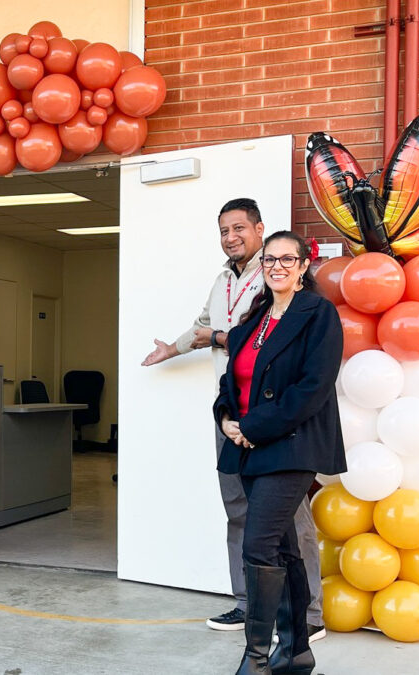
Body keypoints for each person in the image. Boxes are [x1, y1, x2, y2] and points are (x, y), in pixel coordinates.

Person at [141, 199, 325, 638]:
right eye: (224, 230)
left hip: (273, 413)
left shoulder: (278, 280)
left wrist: (220, 337)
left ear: (260, 230)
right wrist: (174, 348)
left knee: (290, 515)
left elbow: (261, 339)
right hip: (230, 411)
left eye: (239, 228)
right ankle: (247, 603)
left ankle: (307, 615)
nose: (230, 237)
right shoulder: (223, 280)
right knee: (238, 508)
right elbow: (204, 325)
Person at [214, 231, 345, 674]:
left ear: (304, 265)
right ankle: (295, 652)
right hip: (249, 449)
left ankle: (255, 661)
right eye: (270, 259)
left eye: (288, 259)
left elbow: (313, 388)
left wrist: (253, 427)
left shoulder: (318, 314)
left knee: (259, 544)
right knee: (284, 548)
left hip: (290, 446)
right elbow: (230, 384)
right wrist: (226, 419)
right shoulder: (254, 319)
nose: (278, 267)